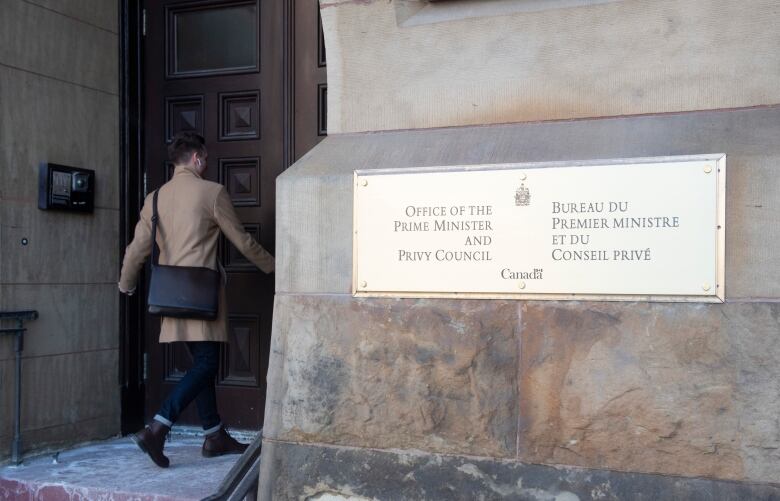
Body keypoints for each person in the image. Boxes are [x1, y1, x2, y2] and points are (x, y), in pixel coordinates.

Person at [118, 132, 275, 468]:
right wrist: (276, 267)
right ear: (198, 158)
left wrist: (126, 283)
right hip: (202, 296)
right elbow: (243, 242)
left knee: (201, 365)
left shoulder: (155, 198)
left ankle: (214, 434)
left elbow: (137, 249)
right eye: (205, 158)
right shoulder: (212, 192)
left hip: (172, 297)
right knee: (206, 365)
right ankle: (158, 428)